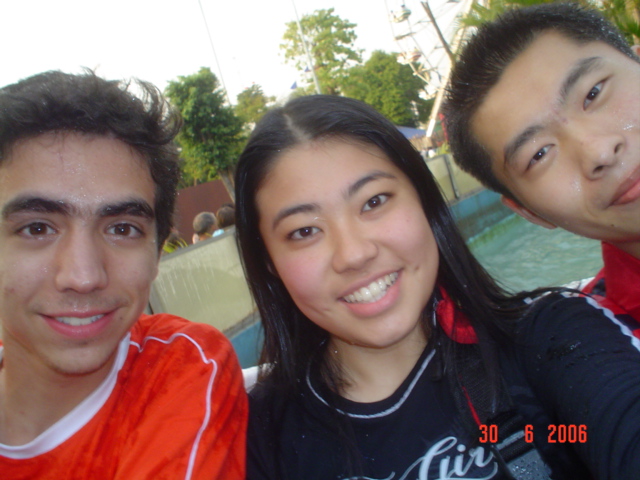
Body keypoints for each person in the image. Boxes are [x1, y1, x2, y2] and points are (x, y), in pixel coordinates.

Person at [235, 95, 640, 479]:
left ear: (424, 200)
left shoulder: (549, 338)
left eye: (374, 202)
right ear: (269, 262)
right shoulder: (257, 439)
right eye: (304, 231)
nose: (354, 254)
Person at [0, 70, 247, 479]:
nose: (83, 276)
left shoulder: (179, 371)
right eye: (37, 228)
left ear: (157, 252)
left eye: (122, 229)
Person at [443, 2, 640, 324]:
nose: (599, 152)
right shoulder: (608, 343)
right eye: (539, 154)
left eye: (593, 93)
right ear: (529, 212)